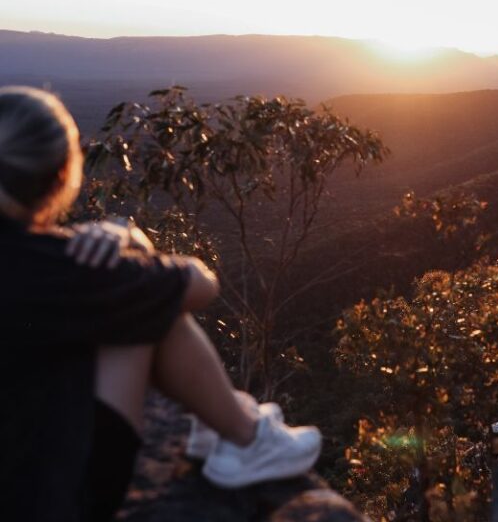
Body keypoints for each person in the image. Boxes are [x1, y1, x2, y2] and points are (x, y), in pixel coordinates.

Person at [0, 86, 322, 522]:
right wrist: (124, 237)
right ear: (61, 176)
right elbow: (198, 283)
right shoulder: (63, 268)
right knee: (149, 311)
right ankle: (245, 438)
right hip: (46, 501)